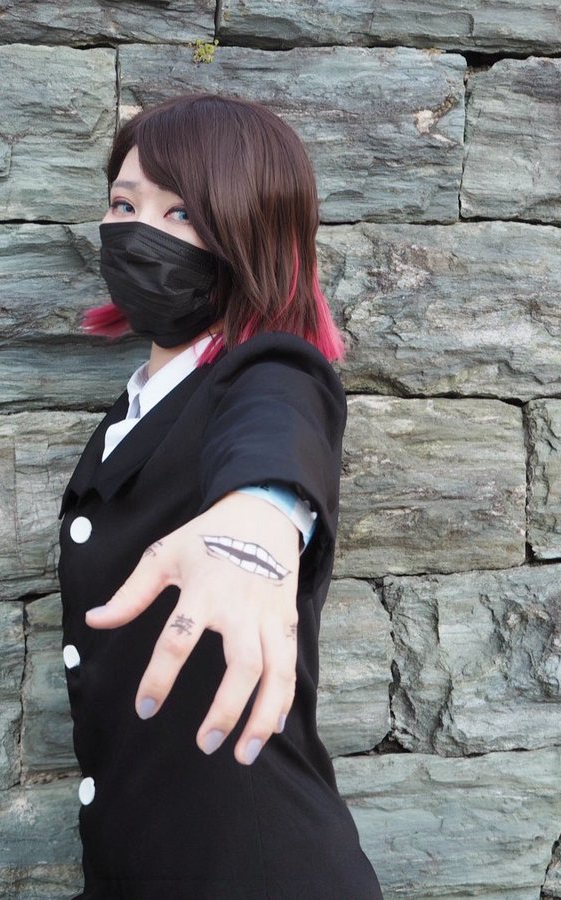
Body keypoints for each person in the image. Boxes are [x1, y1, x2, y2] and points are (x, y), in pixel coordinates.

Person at [57, 93, 383, 898]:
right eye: (124, 205)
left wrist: (258, 523)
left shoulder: (271, 371)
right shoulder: (138, 407)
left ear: (250, 231)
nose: (138, 231)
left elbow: (276, 437)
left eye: (181, 214)